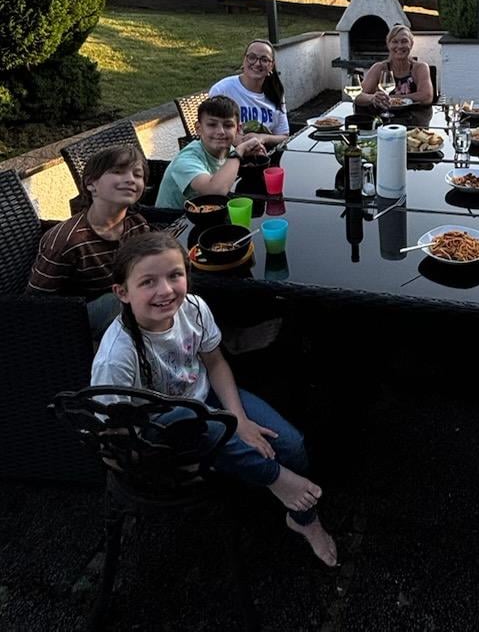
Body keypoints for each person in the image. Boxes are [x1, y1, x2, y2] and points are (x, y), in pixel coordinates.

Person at [91, 231, 337, 567]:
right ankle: (275, 479)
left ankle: (302, 519)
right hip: (158, 431)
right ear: (122, 292)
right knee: (184, 418)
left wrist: (239, 420)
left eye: (174, 276)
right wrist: (167, 457)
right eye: (148, 282)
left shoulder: (194, 308)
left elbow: (215, 362)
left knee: (292, 444)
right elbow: (112, 428)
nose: (165, 290)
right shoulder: (117, 356)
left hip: (204, 398)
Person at [27, 145, 150, 338]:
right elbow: (36, 303)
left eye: (137, 175)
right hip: (76, 319)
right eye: (118, 172)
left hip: (126, 302)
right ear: (91, 184)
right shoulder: (67, 241)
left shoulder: (136, 225)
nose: (130, 179)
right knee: (120, 302)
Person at [155, 95, 266, 211]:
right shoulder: (186, 159)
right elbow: (215, 192)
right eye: (212, 125)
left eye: (228, 125)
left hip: (207, 213)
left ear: (238, 129)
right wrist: (239, 153)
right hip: (173, 223)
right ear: (198, 128)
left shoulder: (228, 150)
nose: (220, 132)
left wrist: (253, 156)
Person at [209, 39, 289, 148]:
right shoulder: (223, 90)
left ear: (271, 66)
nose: (257, 63)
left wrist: (263, 138)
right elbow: (211, 131)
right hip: (229, 155)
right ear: (244, 60)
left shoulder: (276, 92)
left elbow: (284, 136)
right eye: (252, 57)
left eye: (264, 60)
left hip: (266, 155)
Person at [357, 24, 434, 109]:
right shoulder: (379, 68)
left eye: (404, 41)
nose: (400, 46)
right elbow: (358, 96)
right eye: (395, 42)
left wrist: (391, 98)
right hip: (385, 119)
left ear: (411, 44)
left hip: (414, 119)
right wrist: (372, 98)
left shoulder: (420, 68)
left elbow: (427, 97)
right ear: (388, 45)